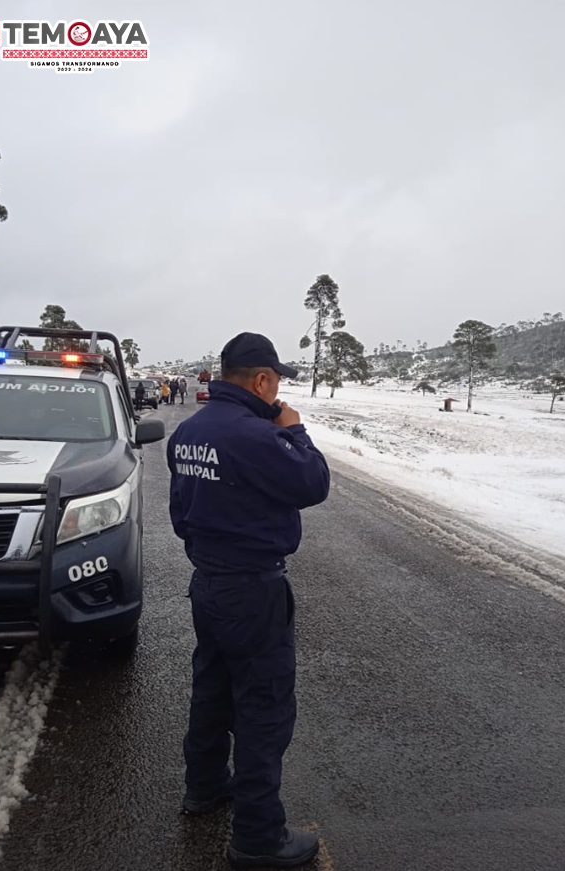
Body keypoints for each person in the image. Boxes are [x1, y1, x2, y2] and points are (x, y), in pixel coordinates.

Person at [167, 332, 330, 870]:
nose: (278, 389)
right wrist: (295, 429)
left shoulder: (189, 432)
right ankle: (259, 838)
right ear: (261, 380)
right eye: (276, 380)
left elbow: (179, 515)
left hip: (208, 582)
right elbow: (312, 483)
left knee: (213, 687)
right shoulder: (256, 435)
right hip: (252, 588)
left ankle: (205, 786)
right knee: (264, 707)